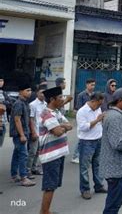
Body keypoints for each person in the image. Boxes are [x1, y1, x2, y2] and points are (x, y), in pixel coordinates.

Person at [38, 86, 73, 214]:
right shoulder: (46, 113)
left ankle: (45, 210)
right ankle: (45, 212)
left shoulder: (57, 112)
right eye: (60, 97)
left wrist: (61, 125)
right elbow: (58, 132)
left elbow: (70, 125)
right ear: (52, 99)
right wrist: (62, 126)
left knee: (53, 185)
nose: (62, 99)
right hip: (51, 155)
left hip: (59, 153)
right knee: (50, 186)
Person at [77, 92, 107, 200]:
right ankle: (85, 189)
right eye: (98, 104)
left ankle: (98, 185)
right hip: (87, 142)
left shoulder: (97, 109)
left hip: (98, 140)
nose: (99, 107)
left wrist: (102, 120)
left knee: (97, 164)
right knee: (84, 167)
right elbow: (83, 127)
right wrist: (97, 120)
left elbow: (99, 123)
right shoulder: (82, 111)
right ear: (93, 101)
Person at [10, 83, 37, 187]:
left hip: (24, 132)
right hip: (19, 134)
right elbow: (17, 120)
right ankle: (23, 178)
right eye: (27, 90)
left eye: (30, 90)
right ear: (21, 92)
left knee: (17, 154)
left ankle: (14, 175)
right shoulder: (19, 103)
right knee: (23, 155)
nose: (29, 92)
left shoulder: (25, 103)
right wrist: (22, 135)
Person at [28, 84, 47, 176]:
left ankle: (34, 168)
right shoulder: (32, 105)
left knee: (39, 152)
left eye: (44, 93)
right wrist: (33, 132)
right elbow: (31, 119)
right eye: (40, 93)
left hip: (43, 132)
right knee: (32, 152)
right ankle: (27, 170)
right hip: (35, 131)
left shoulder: (45, 104)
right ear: (37, 93)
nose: (42, 95)